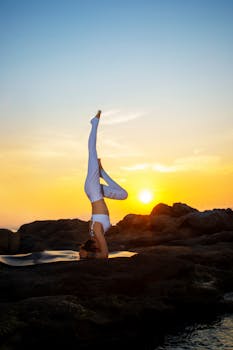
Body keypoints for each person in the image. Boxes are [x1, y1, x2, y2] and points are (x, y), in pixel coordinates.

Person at [79, 110, 128, 259]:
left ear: (94, 246)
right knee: (123, 195)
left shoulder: (96, 231)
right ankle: (102, 173)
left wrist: (87, 255)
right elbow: (98, 252)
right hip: (96, 192)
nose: (101, 244)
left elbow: (105, 255)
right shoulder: (94, 232)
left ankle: (94, 124)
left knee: (92, 152)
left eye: (97, 246)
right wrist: (87, 254)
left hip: (94, 191)